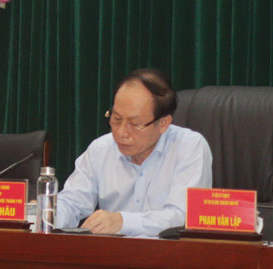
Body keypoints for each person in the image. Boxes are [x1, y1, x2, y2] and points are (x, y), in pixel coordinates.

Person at [55, 68, 212, 236]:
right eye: (116, 119)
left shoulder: (189, 147)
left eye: (135, 124)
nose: (121, 132)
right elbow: (71, 202)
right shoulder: (101, 149)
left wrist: (122, 222)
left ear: (163, 124)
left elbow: (182, 217)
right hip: (111, 251)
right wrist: (46, 214)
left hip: (167, 251)